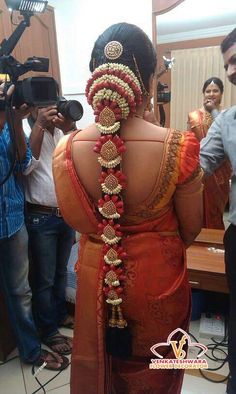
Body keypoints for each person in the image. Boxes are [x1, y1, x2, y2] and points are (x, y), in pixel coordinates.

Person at [53, 23, 203, 394]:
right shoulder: (177, 147)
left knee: (104, 371)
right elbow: (192, 228)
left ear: (95, 75)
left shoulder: (66, 150)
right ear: (149, 79)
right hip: (159, 282)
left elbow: (77, 224)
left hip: (96, 284)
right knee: (160, 368)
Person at [0, 81, 69, 371]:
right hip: (36, 215)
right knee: (38, 283)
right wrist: (28, 124)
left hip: (13, 219)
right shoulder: (28, 129)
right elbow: (29, 168)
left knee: (24, 289)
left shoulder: (10, 128)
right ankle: (41, 336)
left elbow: (23, 162)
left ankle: (35, 343)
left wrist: (13, 119)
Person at [200, 27, 236, 394]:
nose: (230, 71)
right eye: (227, 64)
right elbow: (199, 164)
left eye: (235, 60)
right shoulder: (224, 122)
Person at [23, 105, 76, 355]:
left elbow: (78, 161)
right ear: (33, 108)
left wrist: (70, 129)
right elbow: (27, 166)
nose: (51, 109)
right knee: (43, 279)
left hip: (64, 214)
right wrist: (40, 126)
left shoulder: (59, 134)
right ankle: (47, 330)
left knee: (60, 273)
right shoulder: (26, 130)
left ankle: (58, 315)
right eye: (43, 105)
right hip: (41, 217)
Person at [188, 77, 231, 229]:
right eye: (208, 91)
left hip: (222, 171)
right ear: (203, 93)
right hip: (199, 167)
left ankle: (217, 238)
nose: (211, 94)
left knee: (215, 209)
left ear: (221, 93)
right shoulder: (193, 116)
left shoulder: (228, 116)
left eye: (215, 91)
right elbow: (190, 143)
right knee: (197, 207)